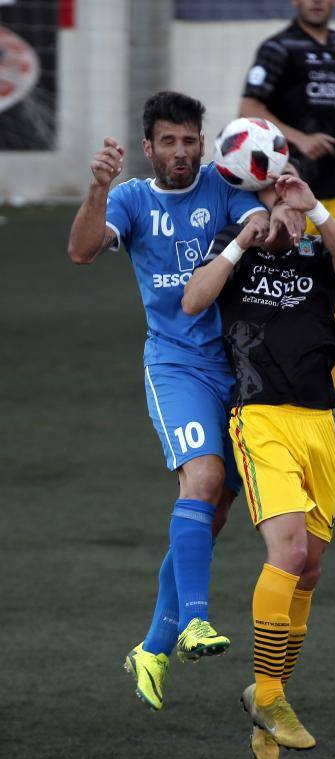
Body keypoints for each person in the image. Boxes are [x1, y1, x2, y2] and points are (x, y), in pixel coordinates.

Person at [67, 91, 294, 711]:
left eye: (190, 140)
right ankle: (195, 621)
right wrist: (97, 188)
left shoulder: (225, 185)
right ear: (149, 147)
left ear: (204, 141)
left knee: (213, 513)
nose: (180, 152)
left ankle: (152, 648)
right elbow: (82, 251)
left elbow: (279, 224)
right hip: (177, 365)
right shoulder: (133, 199)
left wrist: (285, 195)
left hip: (243, 371)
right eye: (168, 142)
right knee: (204, 478)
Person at [182, 165, 335, 759]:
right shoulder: (236, 257)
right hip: (259, 419)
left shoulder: (317, 258)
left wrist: (316, 209)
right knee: (284, 553)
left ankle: (264, 696)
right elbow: (192, 300)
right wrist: (240, 241)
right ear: (251, 206)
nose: (280, 209)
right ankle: (272, 695)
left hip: (320, 424)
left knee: (308, 571)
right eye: (270, 199)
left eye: (288, 200)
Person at [239, 0, 335, 420]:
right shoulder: (277, 47)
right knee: (281, 289)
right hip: (286, 191)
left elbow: (318, 103)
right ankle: (274, 382)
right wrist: (300, 139)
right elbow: (249, 110)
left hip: (332, 191)